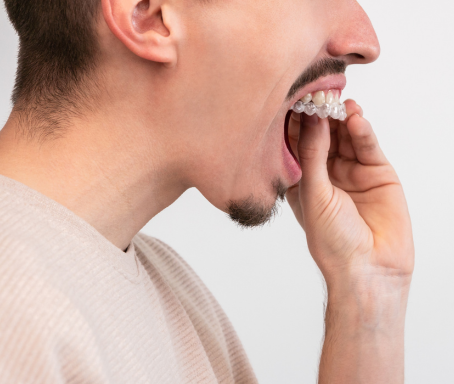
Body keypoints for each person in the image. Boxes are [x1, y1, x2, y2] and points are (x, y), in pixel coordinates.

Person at [0, 0, 415, 382]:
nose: (364, 42)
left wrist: (368, 295)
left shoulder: (172, 289)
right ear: (148, 14)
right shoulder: (17, 310)